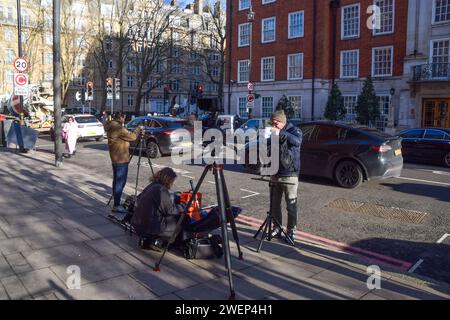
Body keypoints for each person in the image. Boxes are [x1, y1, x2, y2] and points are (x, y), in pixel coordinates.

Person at [131, 167, 184, 251]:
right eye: (172, 181)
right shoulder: (161, 189)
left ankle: (153, 239)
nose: (172, 183)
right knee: (180, 219)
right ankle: (162, 240)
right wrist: (183, 206)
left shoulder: (153, 185)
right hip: (148, 227)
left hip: (137, 223)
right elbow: (170, 210)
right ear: (168, 180)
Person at [269, 110, 302, 243]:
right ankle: (277, 227)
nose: (273, 124)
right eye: (272, 122)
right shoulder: (274, 131)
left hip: (290, 174)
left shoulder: (295, 131)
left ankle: (291, 231)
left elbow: (297, 142)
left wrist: (280, 133)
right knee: (274, 204)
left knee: (291, 205)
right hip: (275, 172)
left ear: (282, 121)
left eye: (276, 122)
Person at [105, 113, 142, 214]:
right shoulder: (118, 128)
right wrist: (138, 129)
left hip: (116, 157)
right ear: (120, 118)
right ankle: (117, 205)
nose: (124, 120)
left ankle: (116, 202)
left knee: (117, 181)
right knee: (120, 182)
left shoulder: (111, 125)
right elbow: (132, 137)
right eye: (124, 118)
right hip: (120, 158)